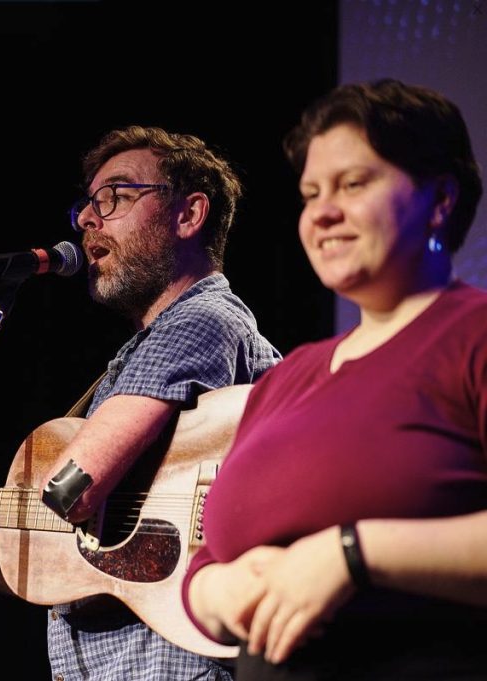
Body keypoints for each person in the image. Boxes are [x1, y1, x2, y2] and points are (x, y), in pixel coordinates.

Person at [0, 125, 281, 680]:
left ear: (188, 215)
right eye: (87, 205)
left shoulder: (199, 320)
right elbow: (60, 557)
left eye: (114, 196)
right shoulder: (140, 353)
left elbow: (72, 489)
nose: (89, 219)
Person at [183, 78, 487, 680]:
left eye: (354, 183)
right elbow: (206, 561)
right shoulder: (285, 378)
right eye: (311, 192)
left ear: (441, 198)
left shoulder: (473, 334)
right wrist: (218, 590)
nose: (322, 212)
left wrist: (353, 554)